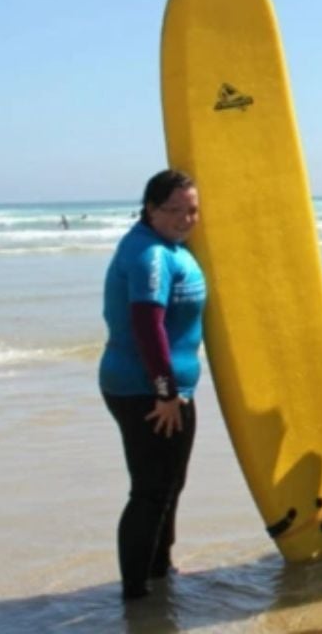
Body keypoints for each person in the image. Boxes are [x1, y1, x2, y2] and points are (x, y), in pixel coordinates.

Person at [100, 169, 206, 601]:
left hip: (163, 389)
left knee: (168, 485)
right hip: (147, 391)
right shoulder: (150, 255)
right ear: (150, 209)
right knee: (150, 491)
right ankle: (137, 595)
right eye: (174, 210)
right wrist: (165, 393)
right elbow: (147, 326)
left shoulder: (169, 246)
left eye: (192, 210)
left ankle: (160, 572)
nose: (185, 218)